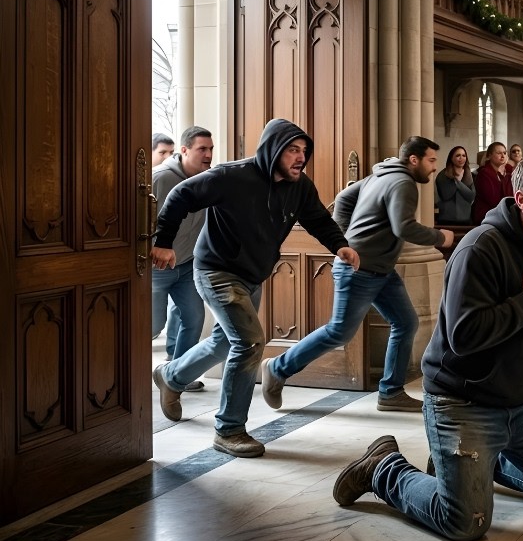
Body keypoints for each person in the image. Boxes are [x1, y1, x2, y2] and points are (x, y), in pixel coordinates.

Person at [332, 152, 523, 541]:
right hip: (461, 400)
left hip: (520, 402)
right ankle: (382, 467)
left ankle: (476, 464)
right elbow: (464, 337)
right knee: (464, 522)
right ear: (522, 200)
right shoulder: (481, 248)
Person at [150, 119, 360, 458]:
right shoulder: (232, 176)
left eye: (304, 151)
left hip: (251, 274)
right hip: (216, 270)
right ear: (274, 149)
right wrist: (163, 241)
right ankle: (229, 429)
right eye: (293, 150)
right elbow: (180, 194)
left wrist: (340, 245)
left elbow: (318, 218)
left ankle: (171, 376)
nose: (300, 157)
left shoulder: (299, 186)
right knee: (249, 341)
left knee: (224, 341)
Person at [261, 136, 456, 413]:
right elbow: (404, 227)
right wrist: (440, 237)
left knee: (406, 322)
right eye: (431, 160)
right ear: (414, 159)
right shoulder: (402, 182)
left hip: (380, 270)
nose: (434, 167)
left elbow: (344, 198)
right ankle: (277, 368)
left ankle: (390, 392)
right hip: (361, 269)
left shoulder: (380, 174)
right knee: (339, 331)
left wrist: (344, 239)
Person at [151, 126, 215, 384]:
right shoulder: (161, 178)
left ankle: (178, 376)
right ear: (185, 150)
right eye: (202, 149)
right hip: (156, 267)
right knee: (152, 326)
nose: (209, 154)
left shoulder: (208, 180)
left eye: (211, 149)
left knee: (193, 319)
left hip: (187, 265)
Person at [472, 141, 513, 223]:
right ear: (489, 156)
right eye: (499, 153)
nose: (502, 156)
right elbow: (493, 199)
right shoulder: (484, 173)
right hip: (487, 216)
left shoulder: (510, 172)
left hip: (504, 214)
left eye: (504, 153)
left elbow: (511, 195)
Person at [435, 145, 475, 226]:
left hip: (466, 219)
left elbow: (471, 196)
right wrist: (459, 184)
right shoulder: (443, 175)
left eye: (464, 155)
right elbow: (446, 195)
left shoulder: (470, 175)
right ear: (451, 158)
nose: (461, 158)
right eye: (458, 155)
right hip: (447, 219)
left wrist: (456, 182)